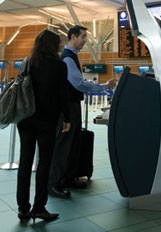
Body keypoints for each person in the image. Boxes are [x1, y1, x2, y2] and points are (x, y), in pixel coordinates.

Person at [48, 25, 117, 199]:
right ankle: (55, 183)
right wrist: (102, 86)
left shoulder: (72, 57)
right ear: (73, 37)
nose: (85, 41)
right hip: (67, 107)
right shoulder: (68, 58)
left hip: (72, 105)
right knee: (64, 144)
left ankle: (69, 177)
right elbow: (78, 83)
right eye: (83, 37)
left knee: (73, 142)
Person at [16, 29, 71, 223]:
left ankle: (23, 209)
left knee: (25, 162)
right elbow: (62, 94)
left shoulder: (28, 63)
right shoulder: (59, 65)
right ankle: (39, 207)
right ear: (54, 46)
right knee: (44, 163)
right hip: (47, 121)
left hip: (25, 119)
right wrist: (67, 118)